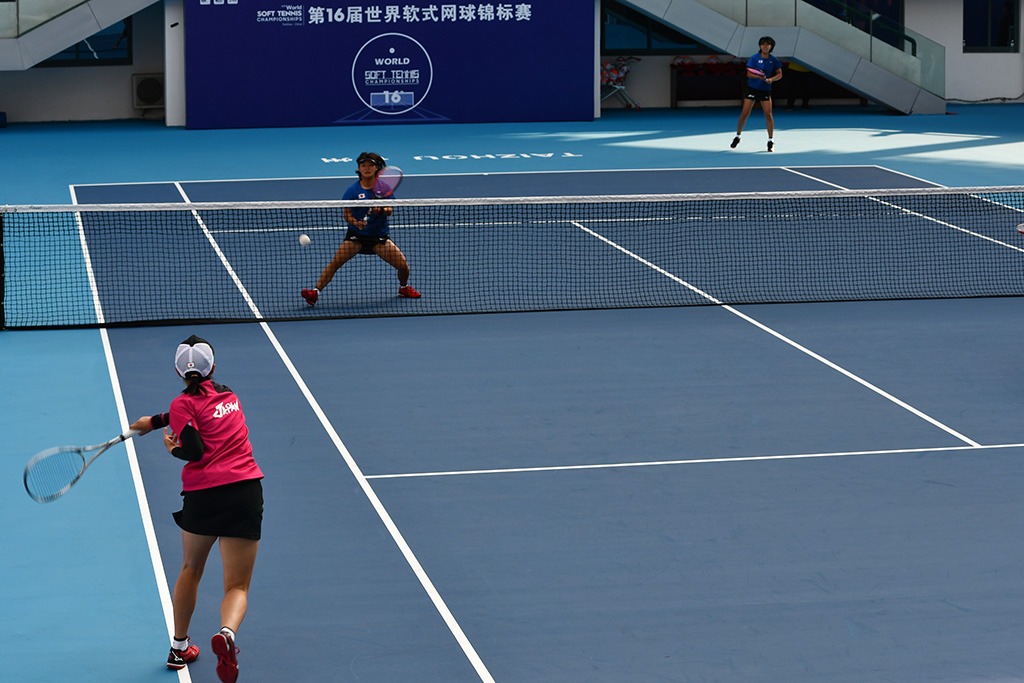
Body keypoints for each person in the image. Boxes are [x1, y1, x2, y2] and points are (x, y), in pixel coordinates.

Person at [129, 336, 264, 683]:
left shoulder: (180, 405)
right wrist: (155, 420)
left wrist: (171, 448)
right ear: (212, 368)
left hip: (204, 497)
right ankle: (227, 634)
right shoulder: (230, 396)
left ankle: (179, 647)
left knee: (191, 568)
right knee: (237, 587)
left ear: (178, 370)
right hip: (244, 492)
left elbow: (195, 450)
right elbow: (195, 409)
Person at [301, 151, 421, 305]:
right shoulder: (352, 191)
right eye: (363, 165)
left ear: (376, 168)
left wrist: (380, 210)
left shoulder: (383, 188)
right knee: (335, 263)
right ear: (359, 169)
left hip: (379, 238)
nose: (367, 168)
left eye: (370, 165)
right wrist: (356, 223)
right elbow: (347, 213)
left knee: (403, 266)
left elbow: (390, 209)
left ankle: (403, 288)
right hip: (356, 237)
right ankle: (315, 292)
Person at [730, 36, 784, 152]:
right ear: (760, 46)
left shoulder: (774, 60)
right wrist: (759, 76)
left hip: (765, 90)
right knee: (745, 114)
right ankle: (737, 136)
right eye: (763, 45)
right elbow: (749, 74)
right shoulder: (754, 58)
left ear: (771, 47)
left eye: (768, 45)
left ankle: (770, 141)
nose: (765, 47)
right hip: (752, 89)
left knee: (768, 115)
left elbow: (779, 74)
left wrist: (771, 79)